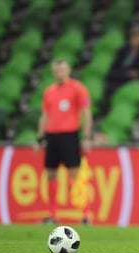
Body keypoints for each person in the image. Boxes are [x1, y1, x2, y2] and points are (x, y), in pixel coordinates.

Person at [35, 59, 93, 225]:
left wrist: (87, 136)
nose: (60, 73)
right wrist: (39, 138)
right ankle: (52, 214)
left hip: (70, 135)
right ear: (54, 72)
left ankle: (85, 214)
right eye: (57, 70)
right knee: (51, 174)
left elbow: (86, 112)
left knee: (76, 174)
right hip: (52, 137)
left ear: (68, 70)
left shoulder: (77, 88)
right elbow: (45, 115)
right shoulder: (49, 91)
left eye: (62, 70)